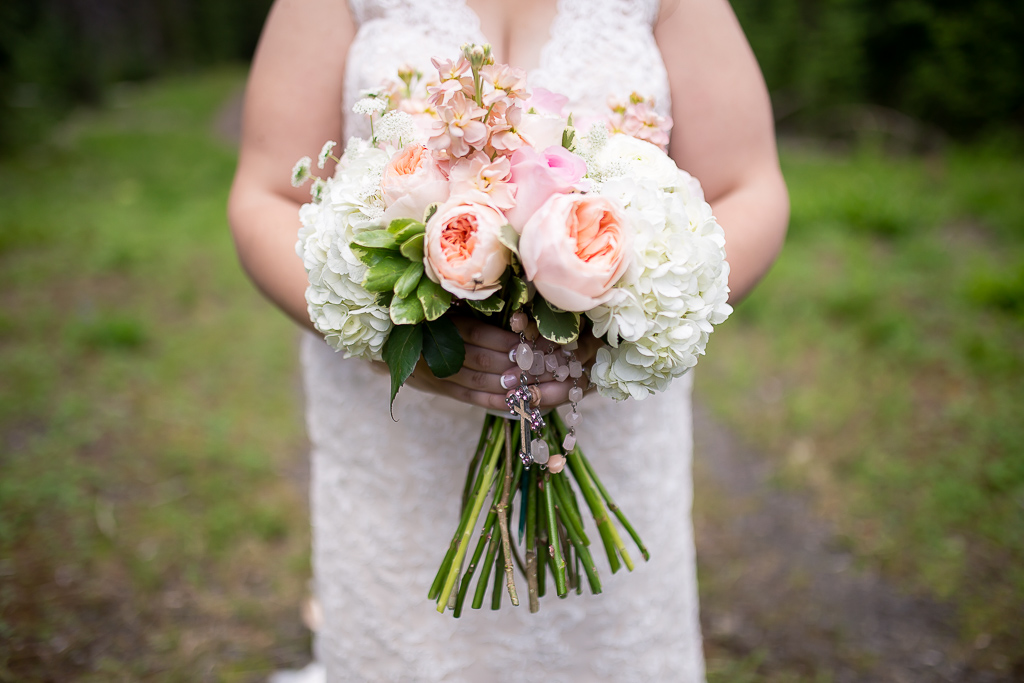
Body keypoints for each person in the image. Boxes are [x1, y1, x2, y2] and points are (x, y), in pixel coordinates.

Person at [228, 0, 788, 680]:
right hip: (395, 441)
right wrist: (395, 336)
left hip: (611, 430)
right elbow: (265, 192)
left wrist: (613, 315)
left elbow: (748, 185)